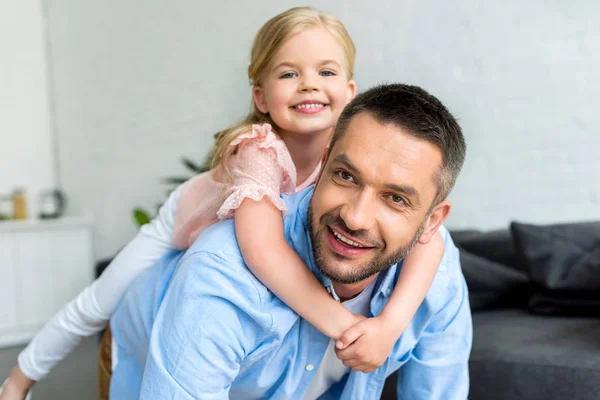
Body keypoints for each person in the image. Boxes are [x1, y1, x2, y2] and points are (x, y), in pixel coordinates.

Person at [0, 7, 444, 400]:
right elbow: (265, 252)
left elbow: (431, 238)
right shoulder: (258, 150)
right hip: (184, 222)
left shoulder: (353, 154)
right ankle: (17, 381)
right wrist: (346, 327)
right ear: (260, 97)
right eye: (289, 74)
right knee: (100, 301)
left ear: (350, 92)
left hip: (236, 249)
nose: (309, 84)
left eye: (325, 72)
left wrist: (389, 326)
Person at [107, 83, 472, 399]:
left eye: (395, 198)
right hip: (147, 358)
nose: (355, 217)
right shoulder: (221, 276)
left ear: (432, 221)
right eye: (345, 176)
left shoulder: (436, 277)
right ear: (323, 165)